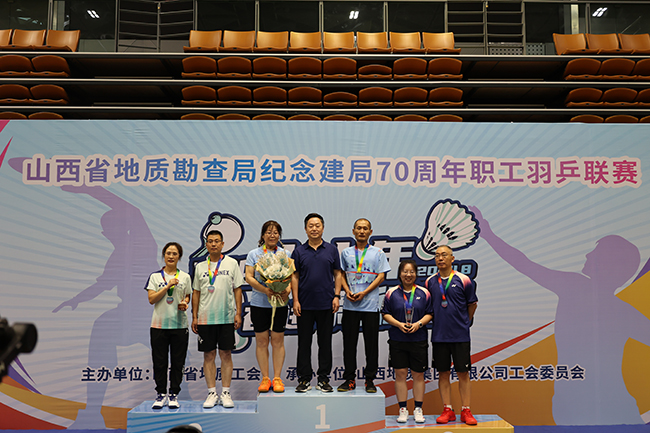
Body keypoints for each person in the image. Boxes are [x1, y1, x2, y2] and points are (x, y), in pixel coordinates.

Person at [472, 207, 650, 425]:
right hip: (590, 405)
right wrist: (488, 235)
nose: (588, 255)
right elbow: (524, 264)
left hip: (592, 406)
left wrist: (489, 235)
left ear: (609, 264)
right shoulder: (618, 309)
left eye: (596, 252)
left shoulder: (576, 286)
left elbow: (525, 264)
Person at [425, 245, 478, 425]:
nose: (440, 258)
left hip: (460, 336)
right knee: (443, 373)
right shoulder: (430, 282)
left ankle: (466, 410)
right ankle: (447, 409)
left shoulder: (464, 280)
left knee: (463, 373)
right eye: (437, 255)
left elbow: (472, 304)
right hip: (439, 335)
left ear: (452, 258)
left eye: (444, 255)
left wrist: (464, 322)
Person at [192, 230, 244, 409]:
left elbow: (238, 289)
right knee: (208, 355)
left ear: (222, 244)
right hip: (205, 318)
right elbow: (196, 293)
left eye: (217, 241)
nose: (213, 244)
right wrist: (194, 316)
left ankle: (226, 392)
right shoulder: (200, 266)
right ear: (206, 244)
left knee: (226, 354)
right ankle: (212, 392)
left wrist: (238, 313)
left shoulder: (232, 263)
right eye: (210, 241)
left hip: (226, 317)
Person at [337, 218, 391, 393]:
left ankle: (370, 380)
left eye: (365, 228)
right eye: (359, 228)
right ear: (353, 231)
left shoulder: (378, 253)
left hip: (370, 306)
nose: (361, 231)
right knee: (349, 344)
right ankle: (349, 379)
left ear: (370, 232)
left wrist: (364, 292)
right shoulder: (346, 253)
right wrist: (347, 291)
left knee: (371, 345)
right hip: (350, 306)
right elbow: (340, 274)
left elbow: (381, 276)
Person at [291, 213, 342, 393]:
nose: (314, 229)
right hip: (304, 304)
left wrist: (337, 296)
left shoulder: (331, 250)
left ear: (323, 228)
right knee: (304, 343)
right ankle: (304, 379)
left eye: (317, 225)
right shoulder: (299, 251)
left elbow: (338, 274)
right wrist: (295, 300)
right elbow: (294, 276)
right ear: (305, 229)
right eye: (311, 226)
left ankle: (323, 379)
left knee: (325, 343)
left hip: (326, 304)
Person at [381, 259, 433, 424]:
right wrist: (399, 324)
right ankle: (402, 409)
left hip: (418, 339)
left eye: (411, 272)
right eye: (405, 271)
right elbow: (385, 313)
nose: (408, 275)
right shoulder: (391, 293)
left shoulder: (424, 293)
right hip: (398, 339)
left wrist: (418, 324)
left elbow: (430, 313)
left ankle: (418, 409)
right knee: (400, 374)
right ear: (400, 274)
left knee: (418, 375)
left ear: (416, 274)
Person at [245, 220, 292, 393]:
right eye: (269, 232)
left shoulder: (285, 254)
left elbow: (291, 276)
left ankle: (277, 378)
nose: (272, 235)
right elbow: (249, 277)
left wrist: (287, 290)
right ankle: (265, 378)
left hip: (280, 303)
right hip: (259, 303)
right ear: (263, 235)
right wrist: (265, 290)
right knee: (262, 341)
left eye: (275, 232)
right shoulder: (254, 254)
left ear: (279, 235)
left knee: (278, 341)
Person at [146, 242, 192, 409]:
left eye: (174, 253)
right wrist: (168, 286)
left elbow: (187, 296)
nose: (171, 256)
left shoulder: (185, 277)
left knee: (178, 362)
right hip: (159, 326)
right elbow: (152, 299)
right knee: (160, 362)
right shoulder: (155, 277)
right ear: (163, 255)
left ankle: (173, 394)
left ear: (179, 257)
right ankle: (160, 394)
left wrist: (185, 303)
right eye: (168, 253)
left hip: (179, 325)